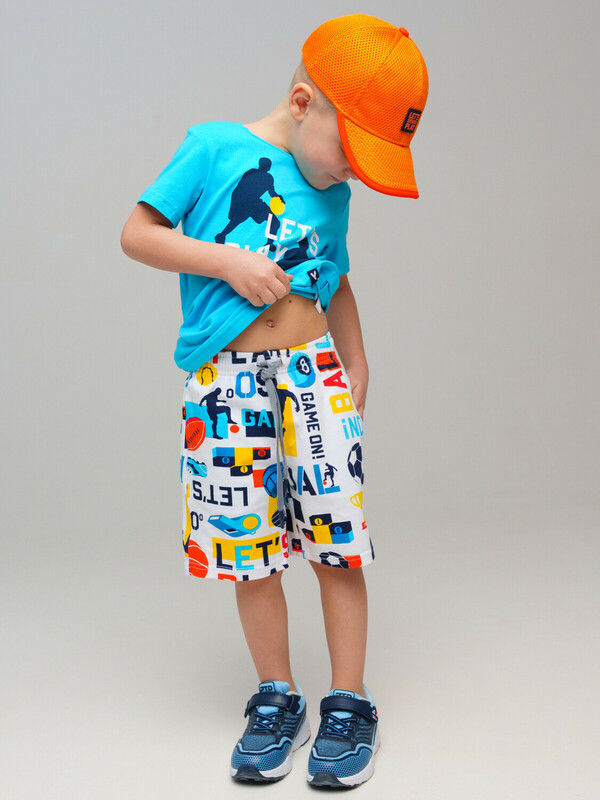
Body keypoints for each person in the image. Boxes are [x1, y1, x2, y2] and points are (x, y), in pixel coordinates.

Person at [121, 13, 428, 789]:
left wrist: (357, 359)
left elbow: (336, 278)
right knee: (247, 550)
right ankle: (275, 697)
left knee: (336, 542)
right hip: (225, 387)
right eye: (351, 152)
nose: (354, 173)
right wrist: (225, 262)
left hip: (313, 378)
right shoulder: (213, 148)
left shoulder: (332, 191)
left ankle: (350, 701)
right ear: (301, 103)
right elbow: (138, 233)